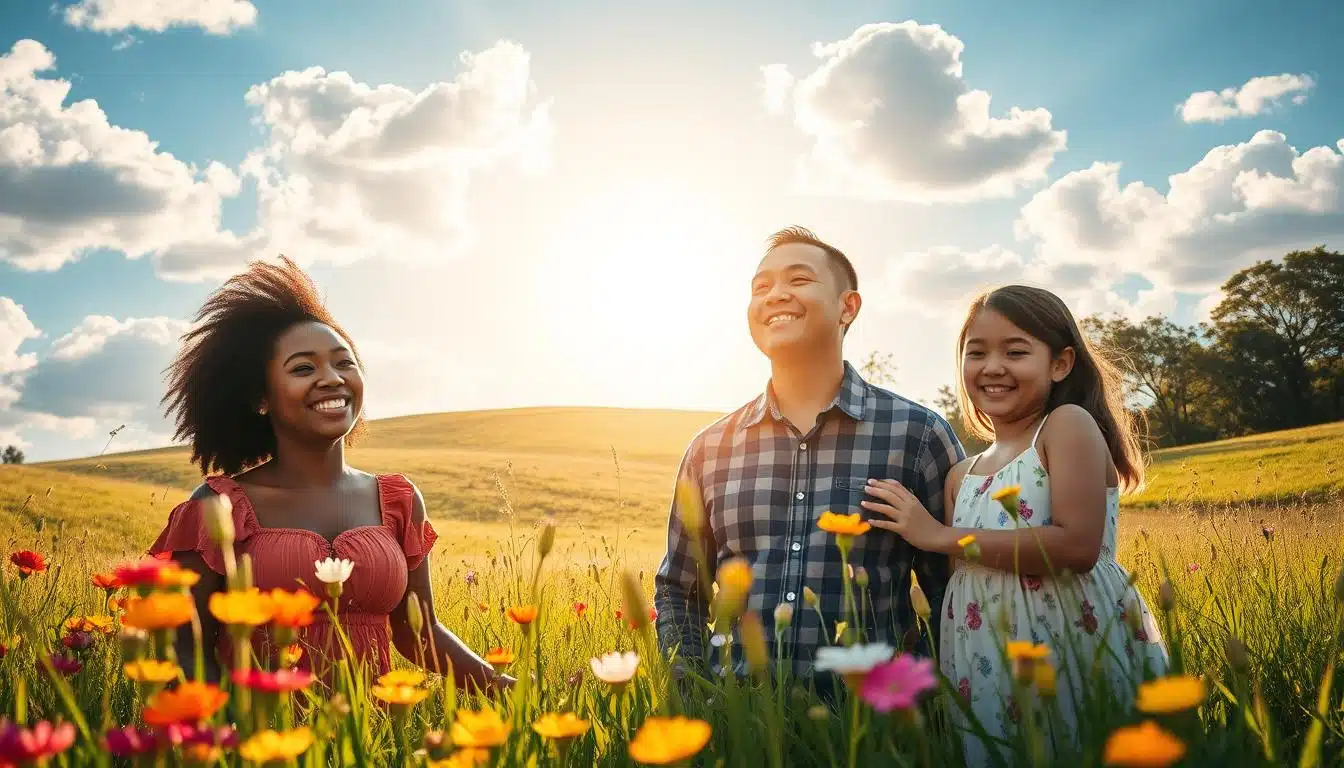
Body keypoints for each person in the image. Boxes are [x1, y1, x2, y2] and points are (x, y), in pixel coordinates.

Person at [147, 256, 510, 694]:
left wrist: (513, 689)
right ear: (261, 397)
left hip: (371, 741)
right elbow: (186, 651)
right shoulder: (217, 506)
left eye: (345, 363)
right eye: (304, 368)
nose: (332, 379)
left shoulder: (397, 499)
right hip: (263, 744)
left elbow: (420, 633)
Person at [858, 284, 1168, 765]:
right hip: (986, 659)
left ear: (1060, 364)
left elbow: (1077, 545)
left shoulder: (1065, 426)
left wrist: (936, 535)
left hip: (1070, 644)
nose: (993, 366)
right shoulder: (963, 473)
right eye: (976, 352)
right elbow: (968, 573)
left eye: (1016, 351)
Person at [653, 226, 965, 693]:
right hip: (739, 726)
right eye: (761, 287)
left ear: (848, 307)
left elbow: (952, 592)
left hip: (873, 732)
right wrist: (697, 692)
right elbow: (680, 589)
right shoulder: (709, 448)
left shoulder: (917, 434)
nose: (776, 294)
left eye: (799, 281)